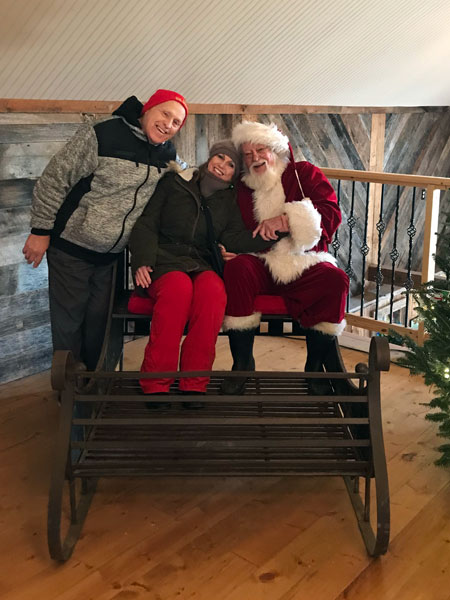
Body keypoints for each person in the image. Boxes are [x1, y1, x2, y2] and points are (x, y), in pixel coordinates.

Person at [22, 89, 188, 370]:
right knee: (69, 322)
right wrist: (40, 231)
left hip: (110, 256)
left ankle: (93, 385)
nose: (168, 125)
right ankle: (69, 391)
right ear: (148, 109)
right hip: (72, 247)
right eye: (165, 114)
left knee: (99, 323)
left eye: (176, 123)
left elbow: (186, 174)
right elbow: (54, 179)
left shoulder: (166, 154)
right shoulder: (102, 133)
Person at [128, 140, 280, 397]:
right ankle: (155, 382)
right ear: (209, 158)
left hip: (200, 261)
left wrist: (273, 232)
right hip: (164, 259)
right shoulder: (175, 183)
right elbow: (147, 222)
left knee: (214, 293)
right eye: (219, 157)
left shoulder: (228, 199)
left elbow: (234, 237)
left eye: (231, 164)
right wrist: (142, 259)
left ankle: (193, 383)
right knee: (178, 291)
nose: (222, 165)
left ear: (235, 172)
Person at [220, 121, 349, 395]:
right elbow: (226, 227)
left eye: (261, 150)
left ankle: (314, 369)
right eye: (247, 154)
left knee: (335, 280)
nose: (255, 158)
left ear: (275, 150)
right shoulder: (240, 187)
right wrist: (223, 247)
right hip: (259, 261)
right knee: (238, 268)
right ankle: (242, 364)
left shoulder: (304, 173)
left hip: (302, 260)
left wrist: (288, 219)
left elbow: (331, 212)